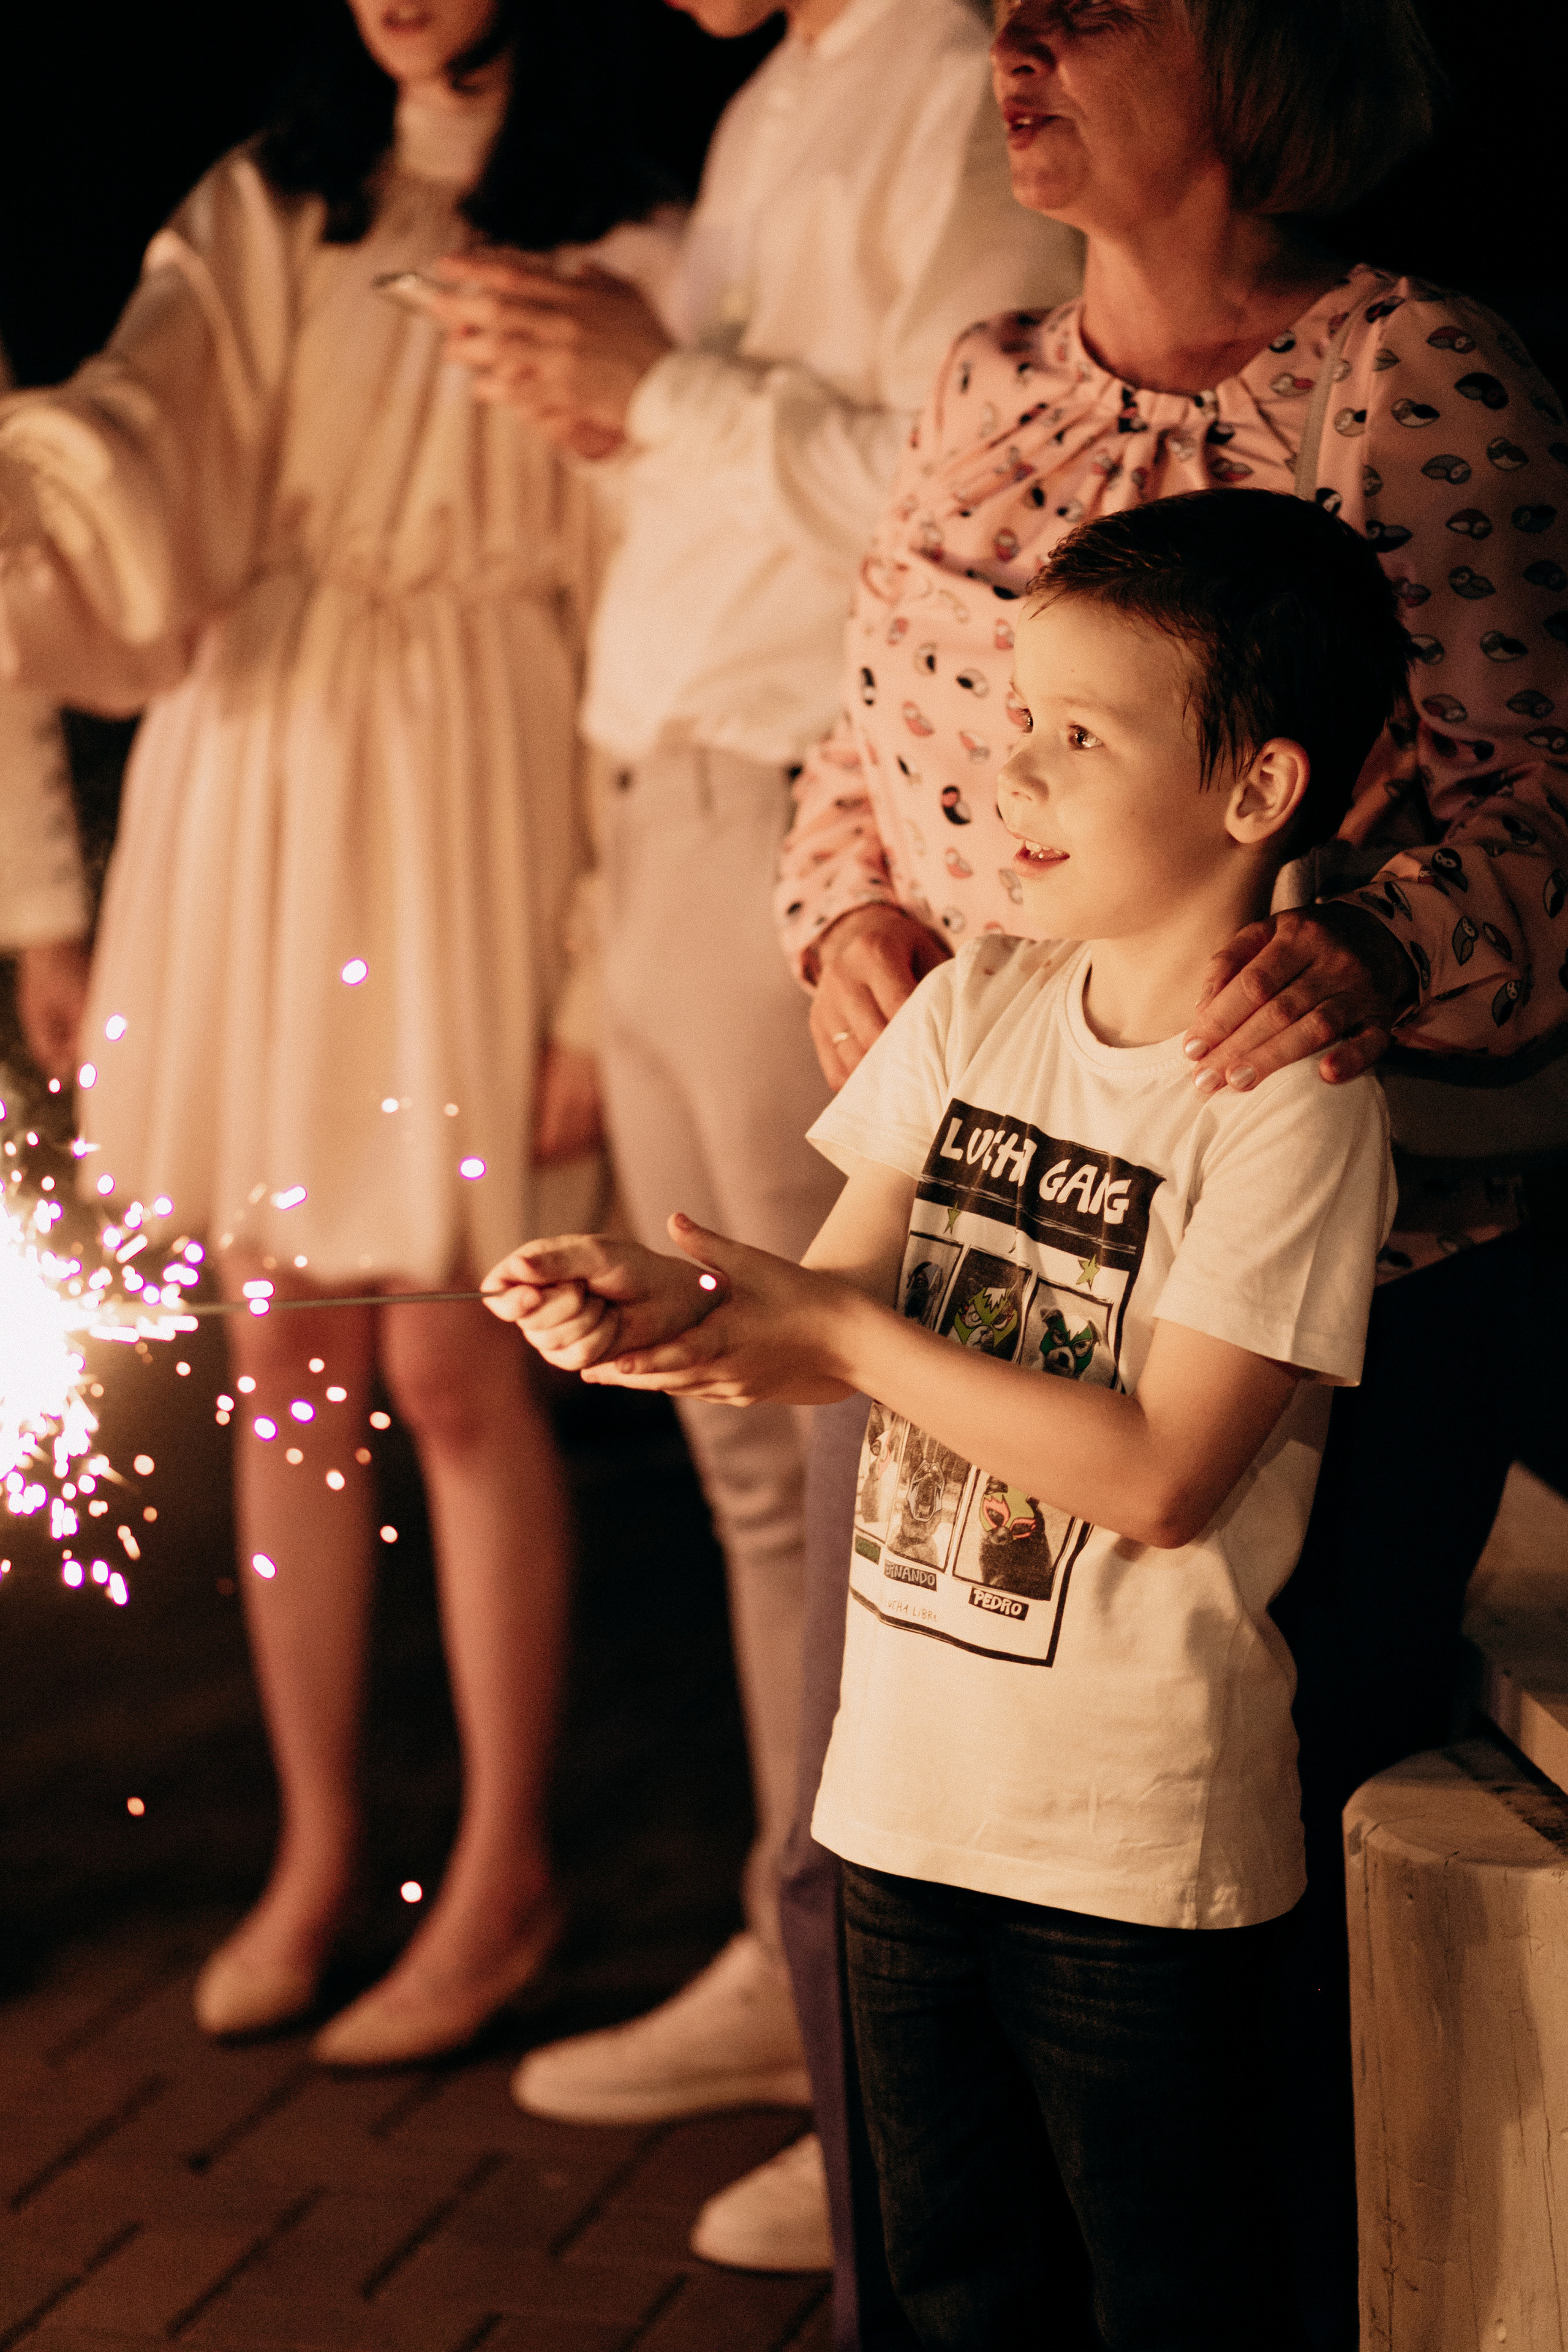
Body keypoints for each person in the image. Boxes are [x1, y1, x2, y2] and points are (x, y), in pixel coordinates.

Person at [771, 1, 1568, 2337]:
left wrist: (1370, 953)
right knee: (896, 1843)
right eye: (1007, 3)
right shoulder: (987, 377)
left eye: (1099, 0)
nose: (1019, 36)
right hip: (966, 1208)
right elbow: (865, 752)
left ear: (1264, 48)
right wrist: (850, 921)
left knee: (1200, 1974)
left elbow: (1543, 810)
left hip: (1277, 1281)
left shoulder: (1416, 381)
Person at [484, 488, 1406, 2350]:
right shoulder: (978, 1005)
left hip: (1132, 1856)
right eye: (1016, 719)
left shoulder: (1290, 1102)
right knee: (957, 2296)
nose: (1014, 771)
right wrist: (652, 1316)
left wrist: (828, 1322)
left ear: (1259, 789)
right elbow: (816, 1334)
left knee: (1172, 2304)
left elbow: (1162, 1477)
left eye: (1082, 736)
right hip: (903, 1805)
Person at [433, 0, 1081, 2273]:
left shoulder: (967, 88)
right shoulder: (775, 93)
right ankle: (782, 1939)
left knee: (842, 1437)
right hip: (672, 797)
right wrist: (614, 399)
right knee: (738, 1454)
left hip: (808, 824)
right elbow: (719, 470)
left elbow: (962, 496)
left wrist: (663, 391)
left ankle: (883, 2061)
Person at [0, 0, 676, 2065]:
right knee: (282, 1345)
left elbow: (649, 598)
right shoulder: (271, 200)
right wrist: (49, 899)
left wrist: (594, 971)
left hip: (478, 787)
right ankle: (317, 1851)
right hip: (253, 779)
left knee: (460, 1358)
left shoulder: (621, 219)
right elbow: (139, 446)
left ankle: (502, 1867)